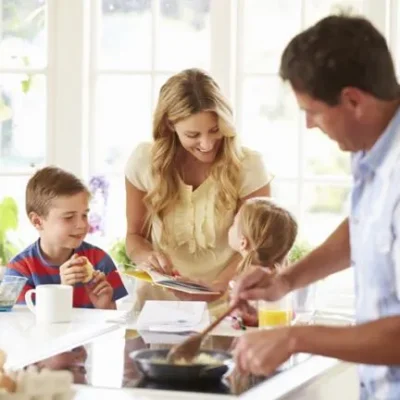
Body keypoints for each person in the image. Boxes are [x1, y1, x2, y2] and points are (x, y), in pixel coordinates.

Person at [231, 14, 400, 399]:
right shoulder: (373, 149)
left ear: (353, 100)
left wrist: (294, 338)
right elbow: (365, 229)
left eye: (313, 111)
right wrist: (286, 281)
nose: (309, 124)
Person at [124, 68, 272, 314]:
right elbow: (134, 236)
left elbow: (258, 247)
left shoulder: (248, 166)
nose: (206, 144)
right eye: (193, 134)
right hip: (156, 307)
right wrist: (145, 257)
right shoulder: (144, 162)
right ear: (170, 125)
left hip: (227, 306)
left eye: (215, 130)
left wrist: (218, 286)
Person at [6, 167, 127, 309]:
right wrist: (63, 291)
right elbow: (25, 325)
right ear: (37, 221)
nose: (82, 225)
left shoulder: (100, 260)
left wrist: (105, 306)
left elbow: (113, 322)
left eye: (84, 215)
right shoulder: (19, 270)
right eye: (69, 217)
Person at [228, 197, 297, 328]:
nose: (230, 227)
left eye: (233, 223)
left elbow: (245, 323)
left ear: (243, 242)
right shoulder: (280, 282)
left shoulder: (248, 284)